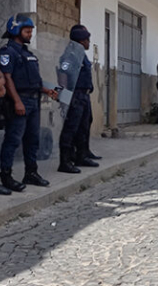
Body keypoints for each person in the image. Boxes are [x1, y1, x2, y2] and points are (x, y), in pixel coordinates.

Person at [0, 13, 58, 192]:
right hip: (19, 101)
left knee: (32, 139)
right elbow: (7, 79)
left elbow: (32, 80)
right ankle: (6, 176)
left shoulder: (28, 54)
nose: (30, 34)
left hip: (34, 101)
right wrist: (17, 102)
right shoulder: (7, 52)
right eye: (27, 31)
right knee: (13, 140)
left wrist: (46, 90)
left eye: (31, 31)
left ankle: (31, 173)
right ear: (15, 30)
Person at [58, 25, 99, 173]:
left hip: (84, 95)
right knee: (71, 128)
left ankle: (81, 155)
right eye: (87, 40)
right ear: (81, 41)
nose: (89, 43)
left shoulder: (81, 54)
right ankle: (65, 161)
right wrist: (64, 96)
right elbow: (63, 73)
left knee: (84, 125)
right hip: (74, 95)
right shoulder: (70, 55)